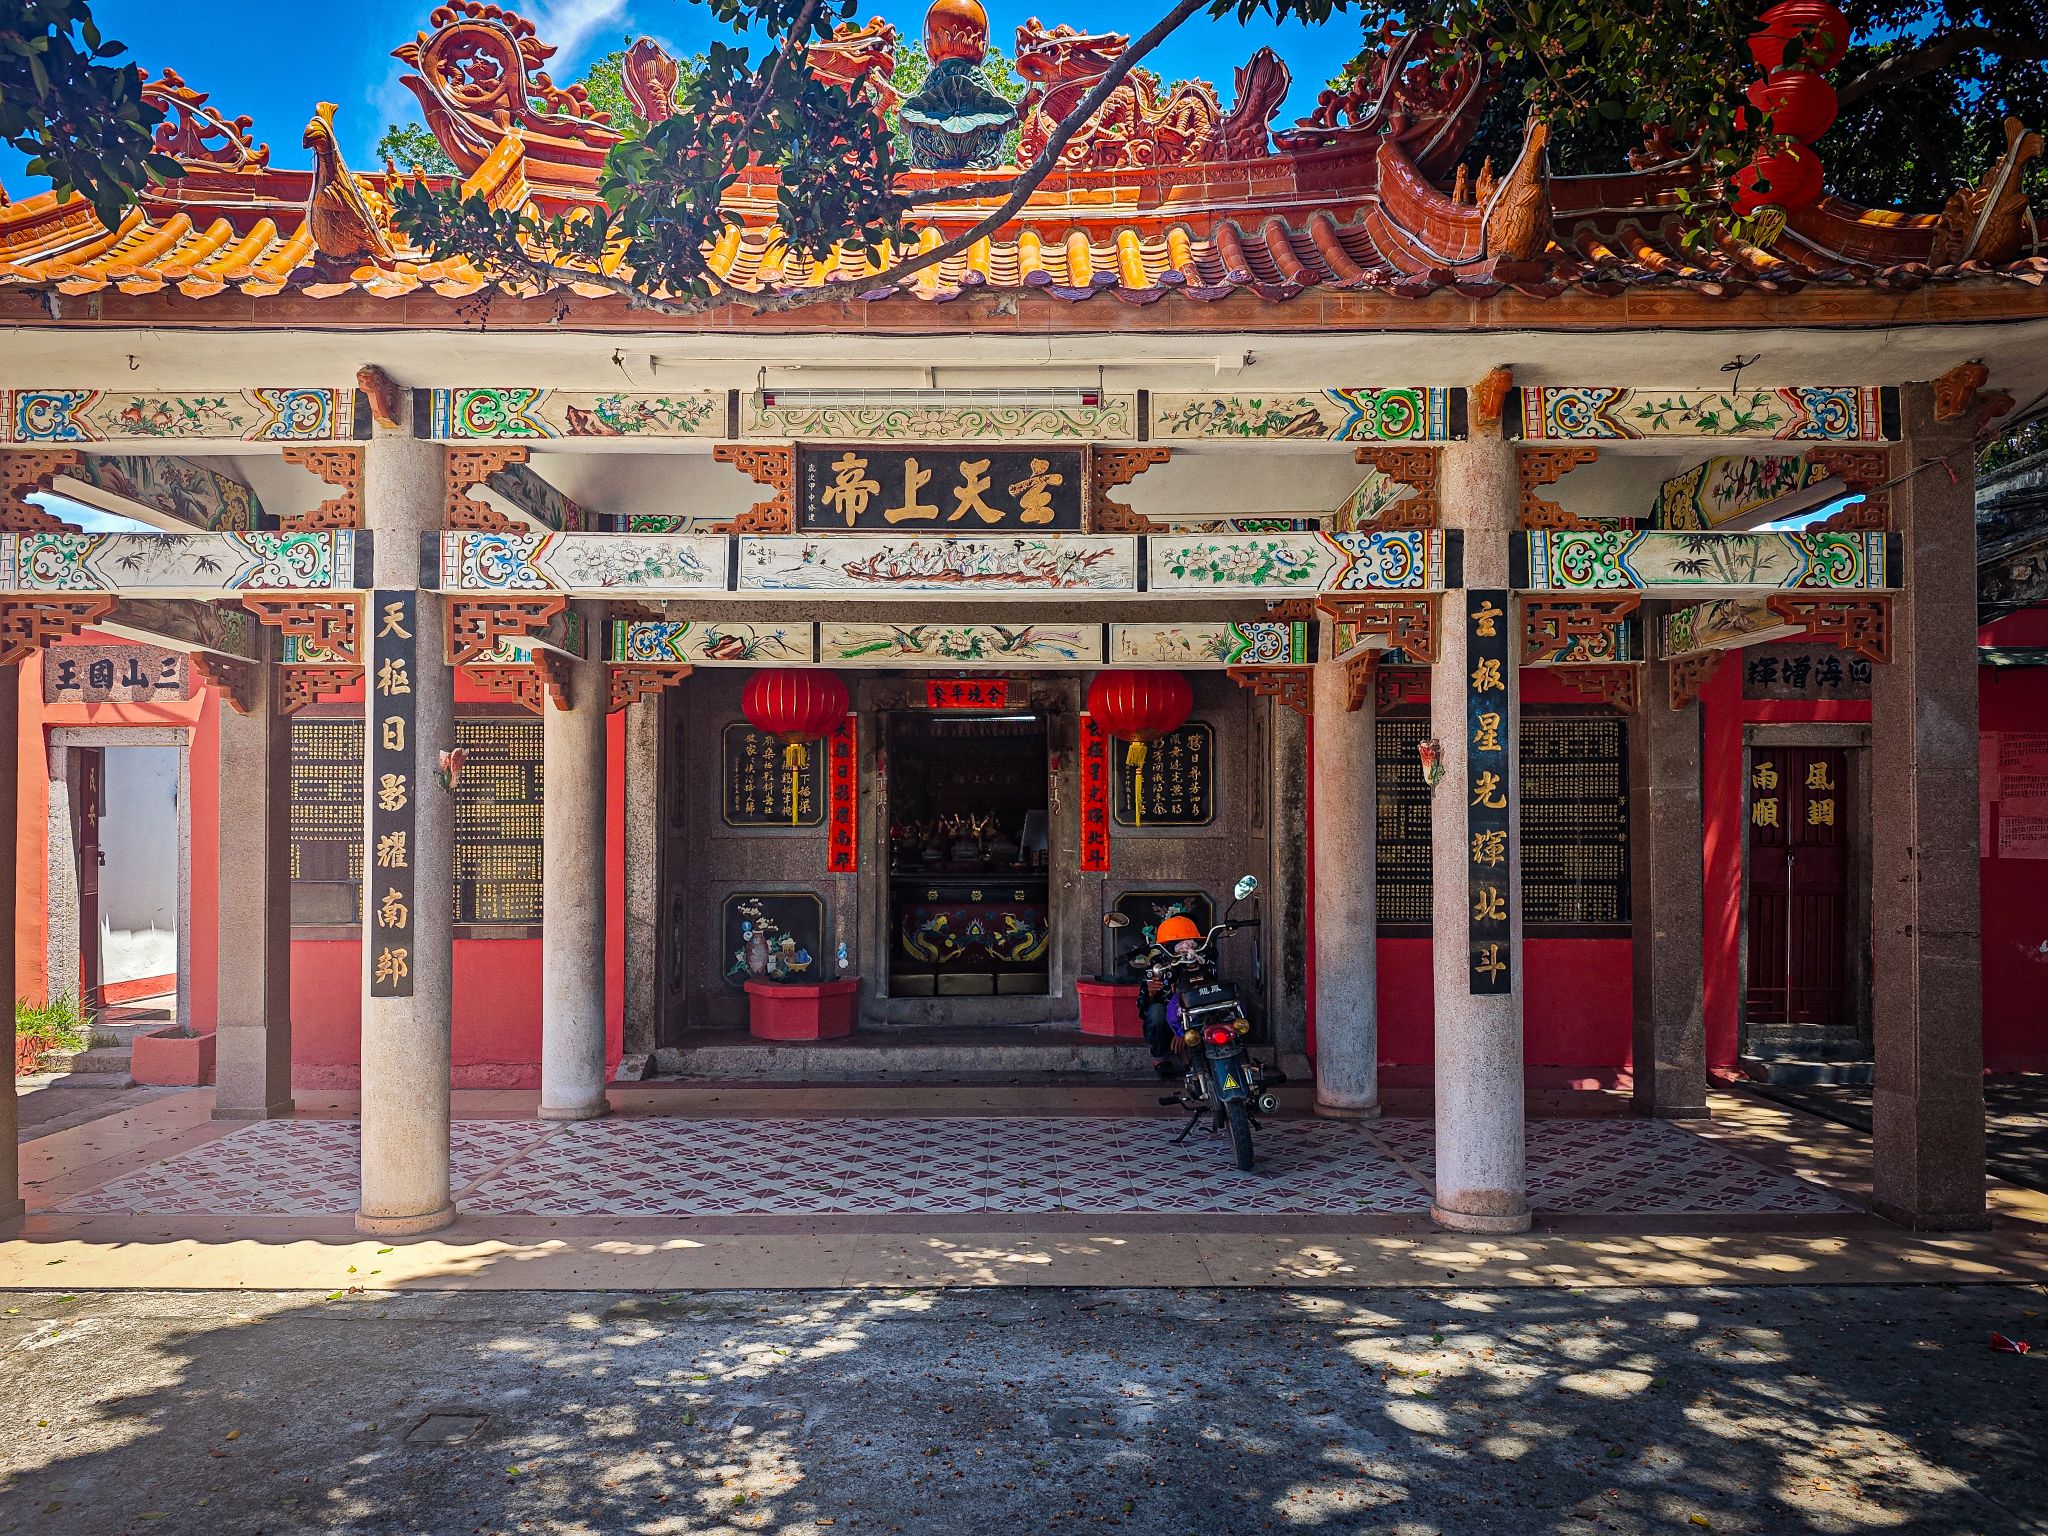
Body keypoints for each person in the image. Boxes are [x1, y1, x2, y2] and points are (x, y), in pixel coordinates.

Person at [1142, 914, 1205, 1077]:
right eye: (1177, 943)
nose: (1183, 947)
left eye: (1187, 942)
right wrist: (1150, 993)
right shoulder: (1157, 964)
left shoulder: (1202, 959)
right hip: (1167, 1019)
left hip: (1196, 1012)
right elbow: (1143, 1007)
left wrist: (1184, 1030)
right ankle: (1159, 1058)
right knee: (1156, 1012)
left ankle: (1197, 1056)